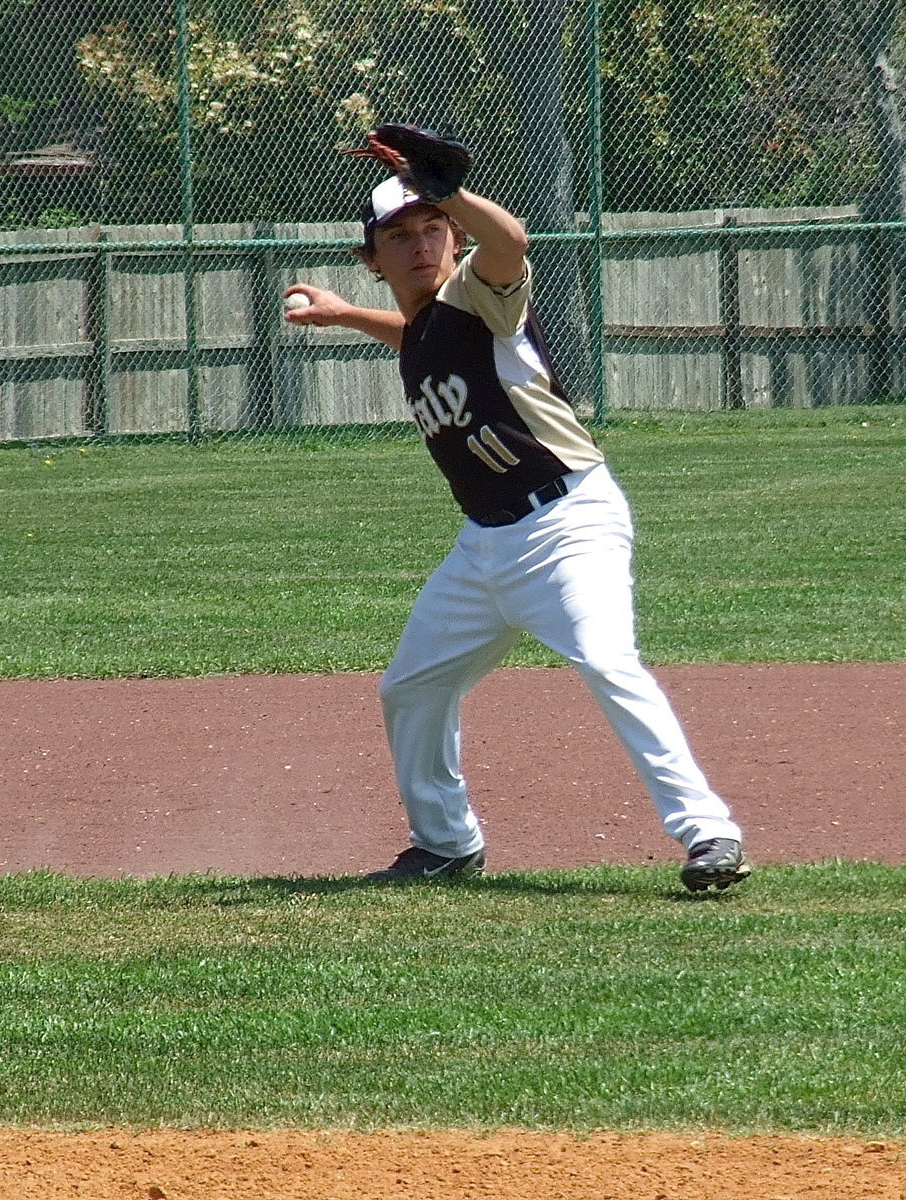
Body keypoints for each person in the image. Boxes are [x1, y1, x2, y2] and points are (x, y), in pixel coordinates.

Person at [284, 127, 749, 893]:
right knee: (412, 686)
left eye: (431, 227)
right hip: (484, 547)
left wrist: (448, 190)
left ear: (453, 234)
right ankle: (446, 844)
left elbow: (512, 243)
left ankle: (709, 834)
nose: (418, 243)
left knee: (605, 660)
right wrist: (343, 317)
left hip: (567, 522)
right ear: (371, 260)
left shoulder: (479, 294)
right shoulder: (427, 325)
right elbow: (414, 332)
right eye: (397, 235)